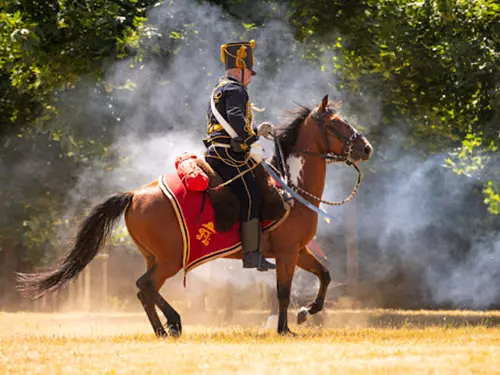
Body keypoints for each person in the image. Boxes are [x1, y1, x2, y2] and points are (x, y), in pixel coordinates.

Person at [203, 40, 276, 272]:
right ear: (239, 70)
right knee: (252, 195)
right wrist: (253, 142)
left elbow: (227, 125)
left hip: (219, 150)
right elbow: (235, 119)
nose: (251, 78)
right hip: (228, 155)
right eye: (249, 73)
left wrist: (254, 132)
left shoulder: (219, 89)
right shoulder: (236, 89)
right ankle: (251, 255)